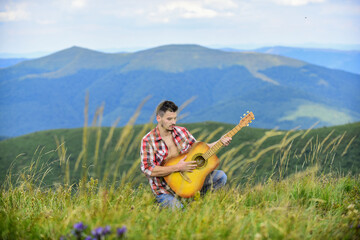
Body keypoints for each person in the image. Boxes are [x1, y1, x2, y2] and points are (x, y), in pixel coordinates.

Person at [140, 100, 231, 209]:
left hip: (189, 183)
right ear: (158, 118)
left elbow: (200, 149)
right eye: (169, 119)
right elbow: (148, 169)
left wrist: (220, 141)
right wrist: (178, 167)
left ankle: (196, 202)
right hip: (165, 190)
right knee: (180, 211)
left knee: (221, 177)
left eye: (175, 118)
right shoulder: (148, 140)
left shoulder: (182, 131)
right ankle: (162, 204)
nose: (173, 122)